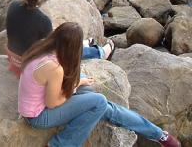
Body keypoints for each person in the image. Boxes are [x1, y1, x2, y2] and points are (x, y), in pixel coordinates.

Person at [18, 22, 180, 147]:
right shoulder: (54, 68)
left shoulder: (43, 45)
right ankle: (61, 144)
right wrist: (75, 85)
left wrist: (73, 83)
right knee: (100, 102)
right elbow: (52, 103)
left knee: (103, 106)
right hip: (39, 116)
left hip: (50, 89)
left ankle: (158, 134)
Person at [6, 0, 114, 78]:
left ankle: (84, 44)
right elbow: (53, 50)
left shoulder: (13, 6)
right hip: (29, 66)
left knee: (60, 39)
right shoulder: (43, 20)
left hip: (13, 59)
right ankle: (99, 52)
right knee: (69, 50)